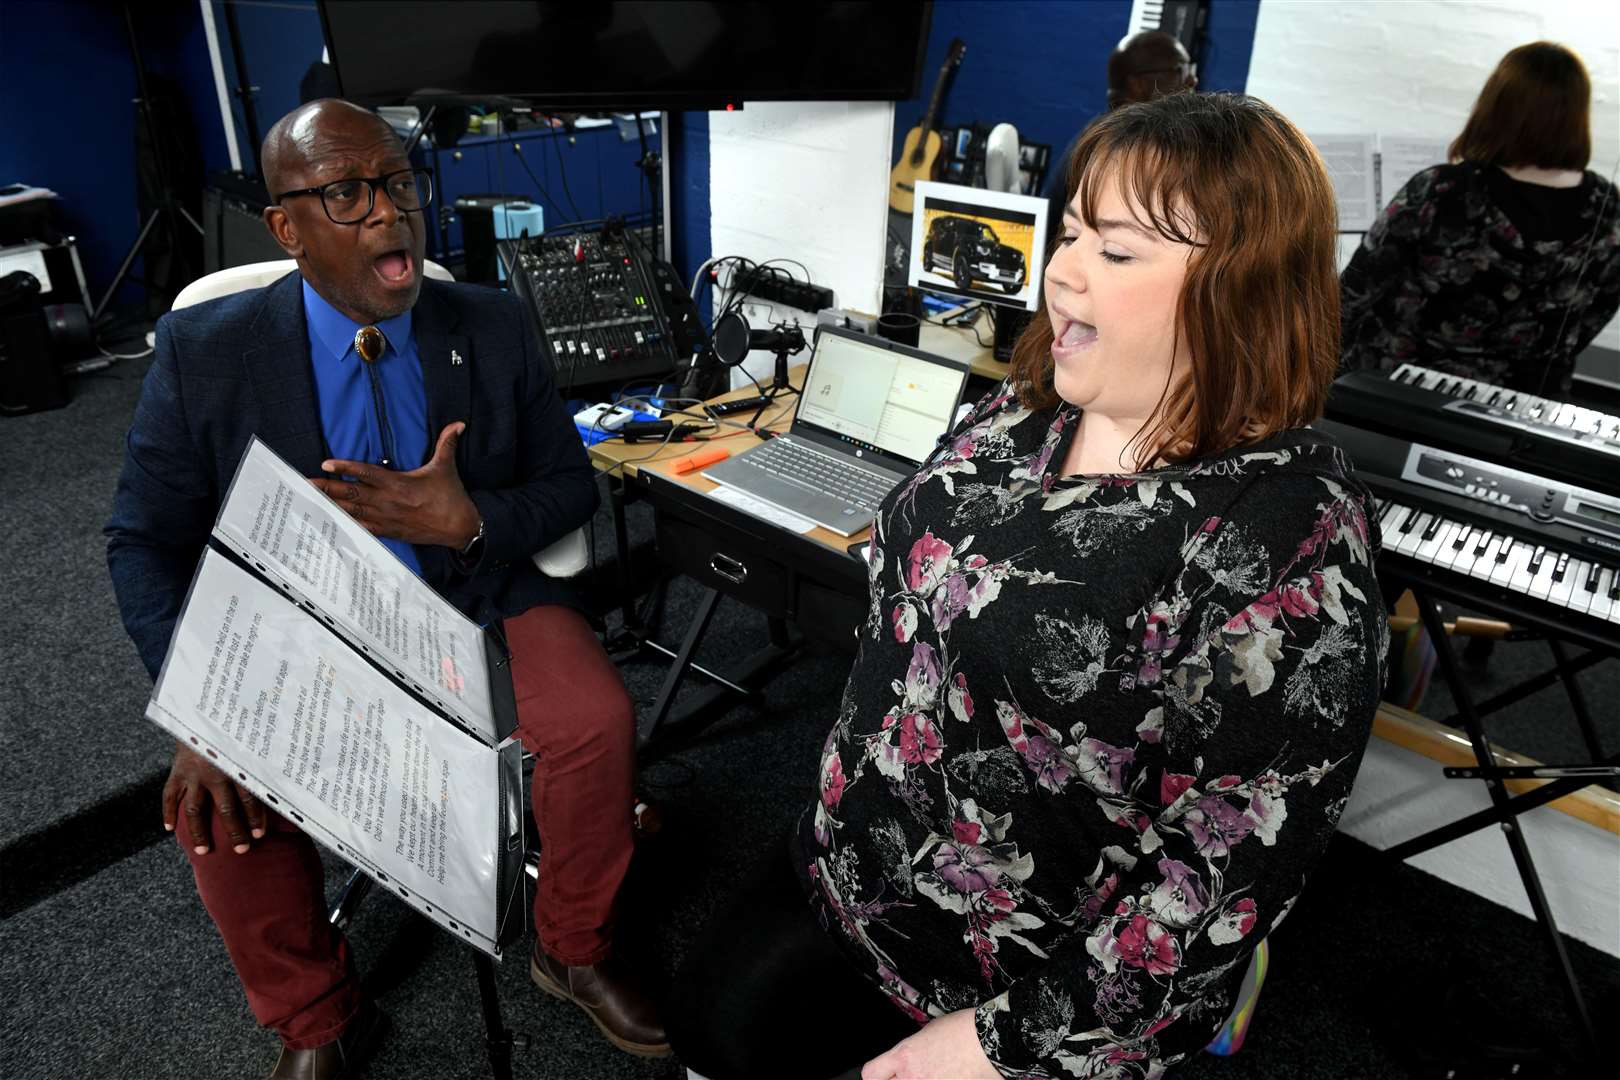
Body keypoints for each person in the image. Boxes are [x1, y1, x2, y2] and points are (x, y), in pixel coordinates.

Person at [667, 92, 1387, 1079]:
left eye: (1119, 250)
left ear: (1242, 287)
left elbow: (1218, 881)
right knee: (702, 1032)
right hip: (843, 870)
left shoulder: (1290, 536)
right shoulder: (1030, 404)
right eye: (1076, 228)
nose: (1063, 265)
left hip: (1004, 988)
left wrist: (994, 1047)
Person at [105, 99, 666, 1078]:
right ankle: (317, 1013)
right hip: (297, 622)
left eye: (399, 184)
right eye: (347, 194)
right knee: (216, 799)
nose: (388, 214)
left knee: (594, 720)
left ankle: (572, 950)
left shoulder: (491, 324)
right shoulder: (205, 354)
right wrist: (198, 700)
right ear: (288, 227)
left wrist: (470, 522)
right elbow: (141, 543)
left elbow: (570, 486)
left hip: (472, 597)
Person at [1340, 41, 1620, 396]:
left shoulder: (1442, 189)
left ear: (1498, 106)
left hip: (1404, 397)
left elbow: (1353, 293)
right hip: (1524, 409)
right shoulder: (1608, 207)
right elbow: (1594, 315)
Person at [1044, 30, 1197, 253]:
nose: (1192, 79)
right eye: (1179, 70)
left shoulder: (1112, 136)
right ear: (1138, 84)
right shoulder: (1113, 148)